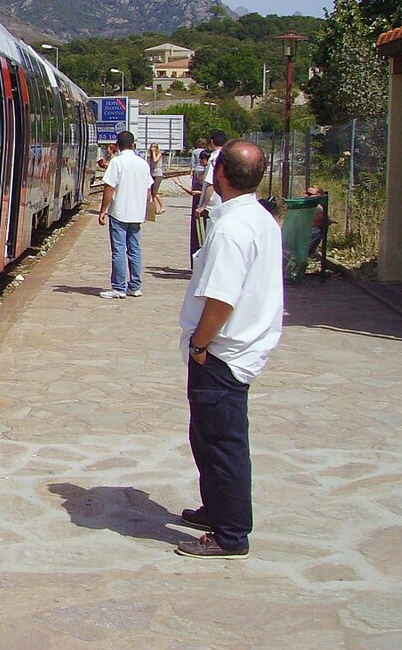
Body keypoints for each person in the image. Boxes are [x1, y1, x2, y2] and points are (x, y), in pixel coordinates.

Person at [176, 139, 283, 560]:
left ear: (218, 172)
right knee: (207, 437)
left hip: (222, 354)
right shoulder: (258, 219)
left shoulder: (233, 229)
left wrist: (200, 344)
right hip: (237, 349)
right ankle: (217, 510)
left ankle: (231, 533)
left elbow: (221, 299)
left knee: (222, 442)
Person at [97, 130, 153, 299]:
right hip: (137, 213)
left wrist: (103, 210)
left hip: (120, 211)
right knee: (134, 249)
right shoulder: (142, 163)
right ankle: (135, 286)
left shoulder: (117, 162)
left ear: (118, 145)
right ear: (133, 145)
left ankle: (119, 287)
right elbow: (149, 188)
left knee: (119, 250)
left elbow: (109, 187)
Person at [191, 129, 228, 261]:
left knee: (208, 238)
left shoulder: (214, 158)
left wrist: (203, 205)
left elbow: (211, 184)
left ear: (212, 142)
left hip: (212, 205)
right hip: (224, 201)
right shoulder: (228, 155)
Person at [147, 143, 166, 214]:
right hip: (152, 174)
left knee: (155, 192)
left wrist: (154, 152)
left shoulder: (159, 154)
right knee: (152, 193)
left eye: (154, 147)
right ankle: (155, 208)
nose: (152, 148)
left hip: (158, 174)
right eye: (152, 147)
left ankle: (162, 206)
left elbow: (155, 160)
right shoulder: (150, 156)